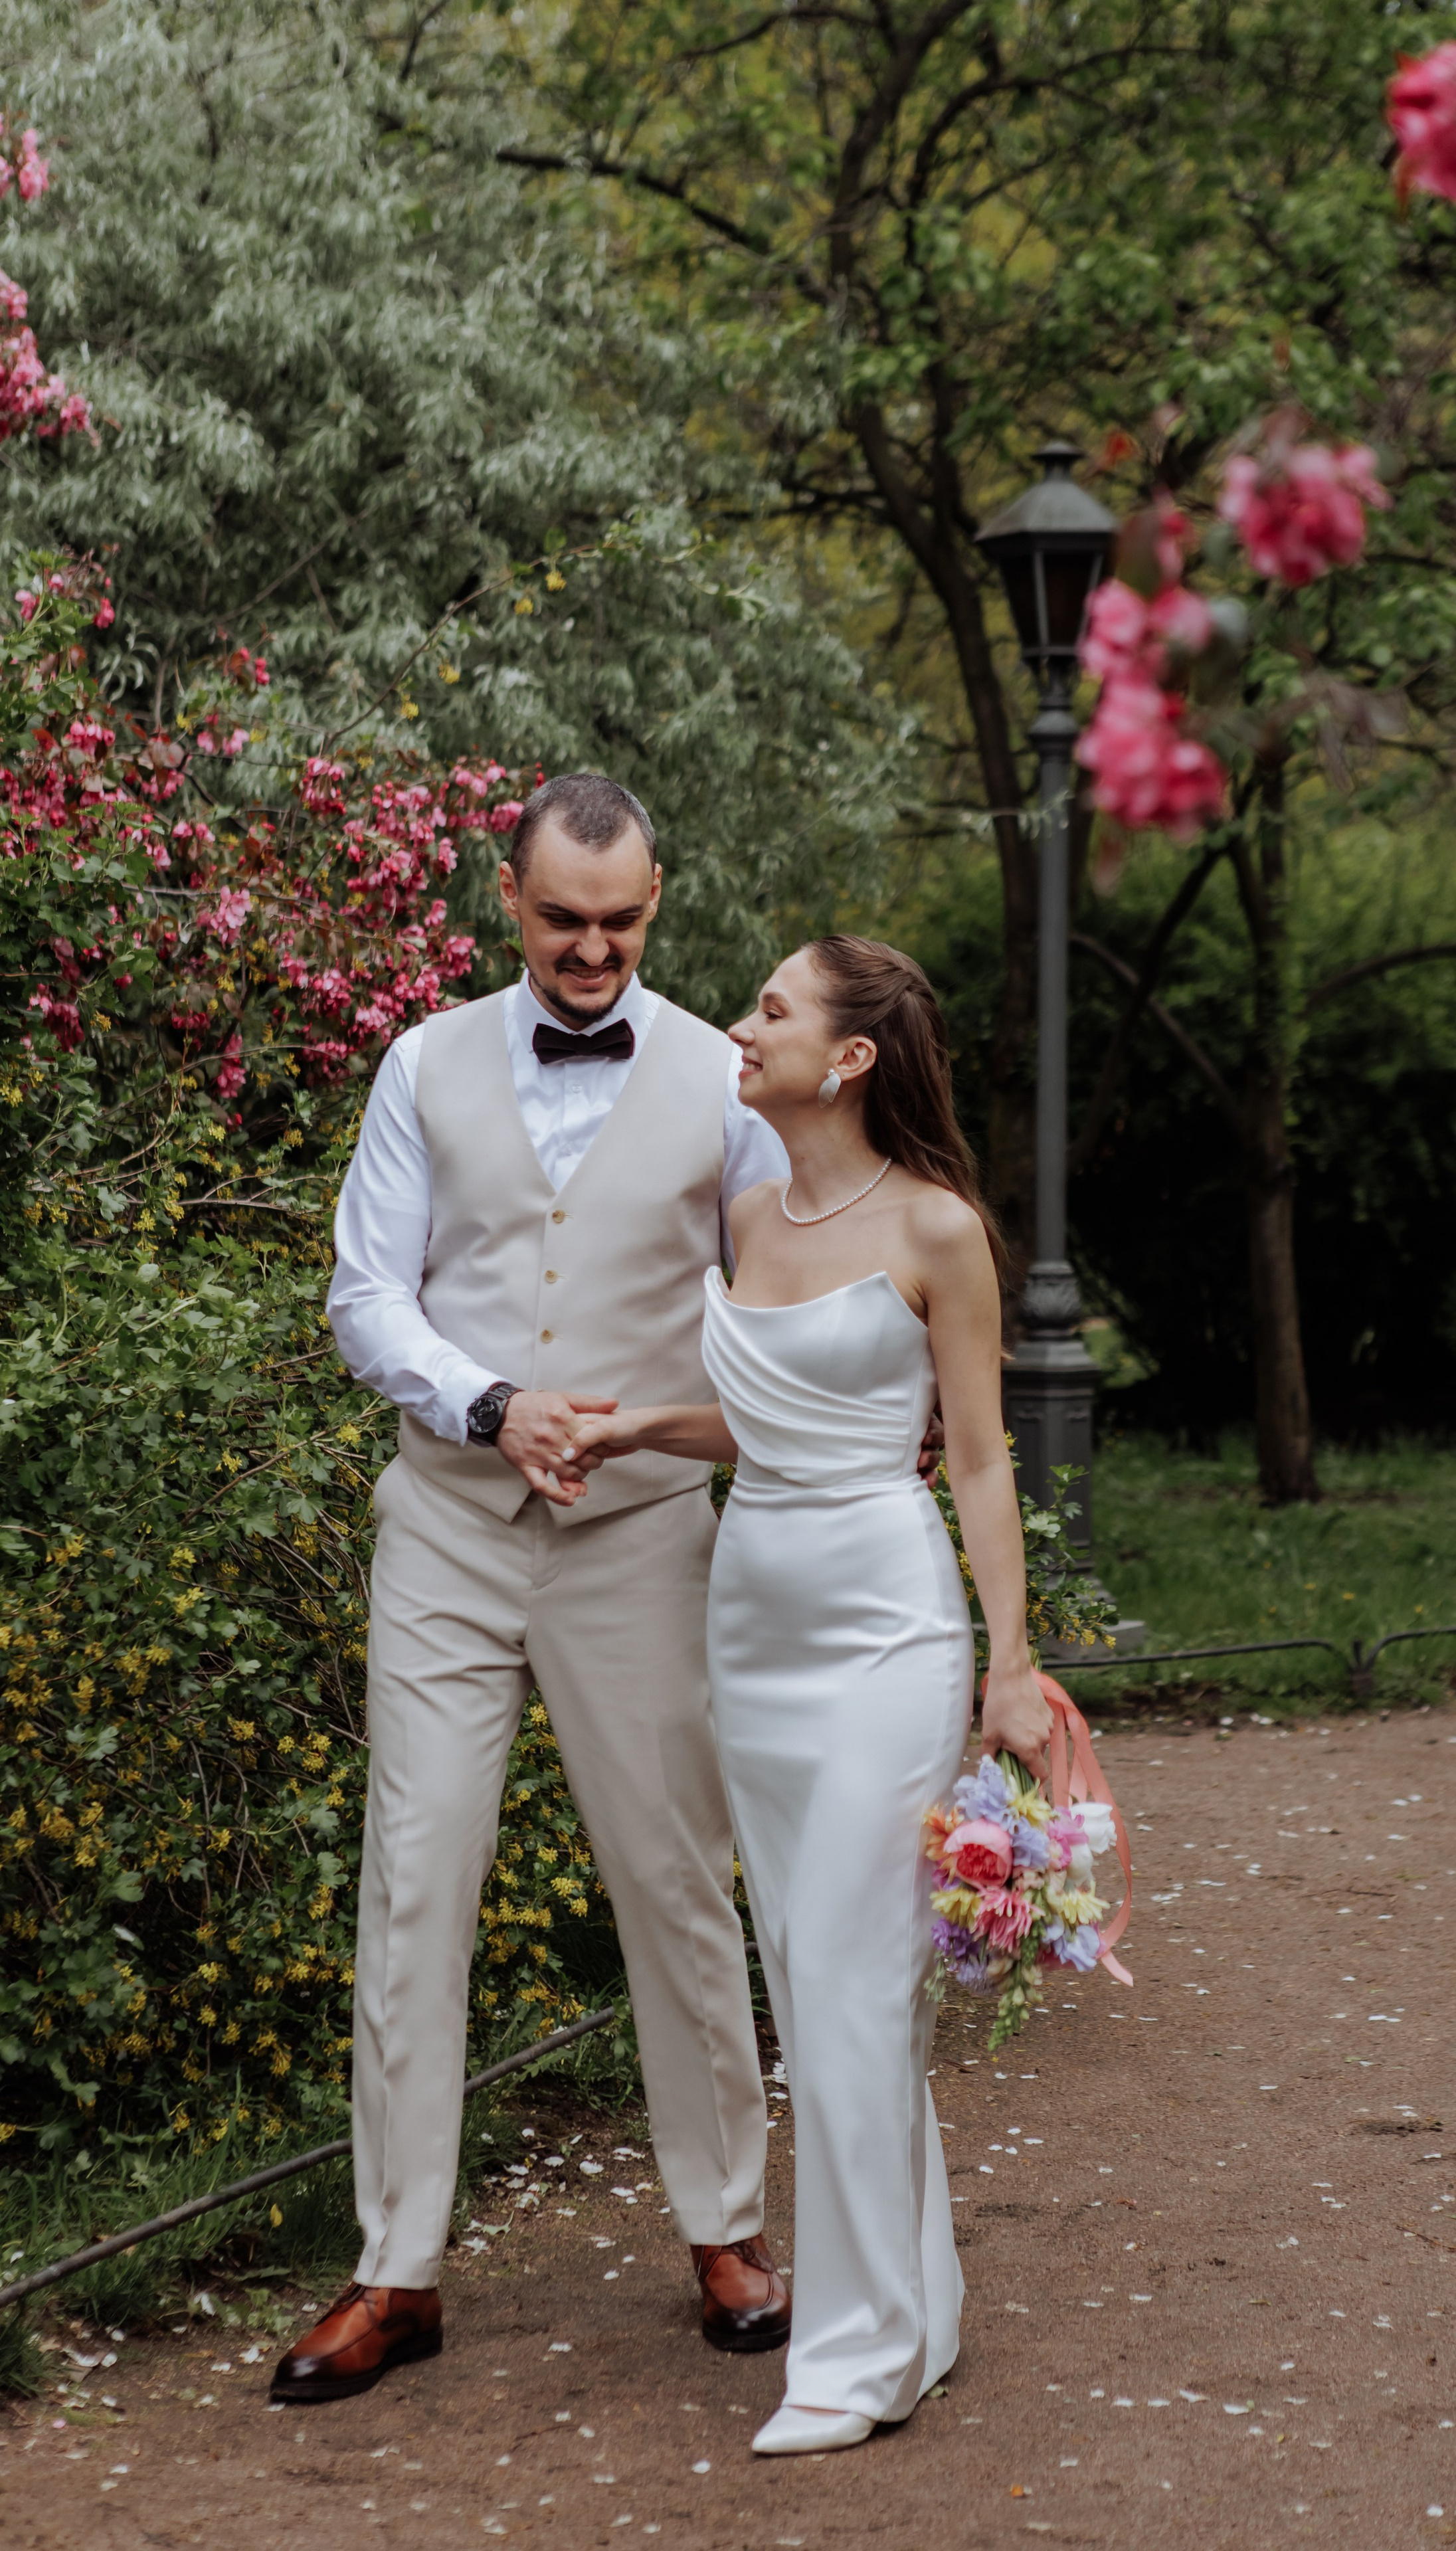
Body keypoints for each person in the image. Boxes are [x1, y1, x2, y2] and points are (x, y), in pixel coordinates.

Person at [271, 772, 798, 2406]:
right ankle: (395, 2269)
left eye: (619, 922)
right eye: (562, 918)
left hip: (641, 1537)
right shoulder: (422, 1063)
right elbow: (367, 1295)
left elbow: (776, 1306)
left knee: (673, 1878)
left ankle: (725, 2229)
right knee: (415, 1882)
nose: (590, 948)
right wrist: (491, 1405)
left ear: (656, 900)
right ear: (507, 898)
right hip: (448, 1528)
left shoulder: (724, 1078)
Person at [563, 934, 1053, 2455]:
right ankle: (921, 2308)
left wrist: (1011, 1666)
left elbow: (977, 1456)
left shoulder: (937, 1228)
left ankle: (853, 2362)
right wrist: (635, 1426)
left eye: (769, 1009)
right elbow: (766, 1419)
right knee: (824, 1986)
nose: (739, 1025)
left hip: (884, 1633)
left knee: (846, 1987)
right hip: (753, 1633)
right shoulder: (748, 1215)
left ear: (848, 1058)